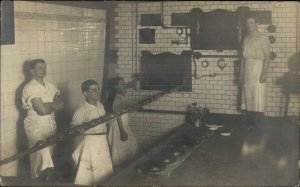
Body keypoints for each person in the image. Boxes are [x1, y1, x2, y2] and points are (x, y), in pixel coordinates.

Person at [22, 59, 64, 180]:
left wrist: (47, 104)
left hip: (51, 126)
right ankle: (37, 181)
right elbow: (42, 111)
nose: (43, 70)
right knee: (42, 157)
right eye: (39, 67)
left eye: (44, 67)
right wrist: (51, 105)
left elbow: (61, 105)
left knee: (46, 159)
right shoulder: (30, 87)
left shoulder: (51, 86)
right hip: (36, 128)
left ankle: (43, 182)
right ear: (31, 71)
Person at [71, 80, 113, 186]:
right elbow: (74, 130)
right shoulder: (82, 110)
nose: (98, 92)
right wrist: (77, 150)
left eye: (98, 89)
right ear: (85, 93)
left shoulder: (100, 105)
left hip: (102, 141)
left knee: (103, 171)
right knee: (88, 174)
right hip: (90, 143)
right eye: (94, 90)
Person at [240, 15, 270, 129]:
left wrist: (264, 73)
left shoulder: (263, 37)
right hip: (247, 69)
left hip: (258, 68)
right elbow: (244, 58)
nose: (249, 25)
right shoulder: (246, 39)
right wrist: (241, 75)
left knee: (258, 96)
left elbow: (267, 57)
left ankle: (259, 125)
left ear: (257, 24)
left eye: (251, 23)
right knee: (248, 96)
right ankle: (251, 124)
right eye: (247, 23)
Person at [107, 77, 138, 167]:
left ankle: (124, 166)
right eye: (121, 83)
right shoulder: (118, 98)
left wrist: (135, 80)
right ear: (116, 87)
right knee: (121, 150)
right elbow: (117, 114)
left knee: (130, 146)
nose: (124, 84)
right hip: (118, 126)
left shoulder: (121, 96)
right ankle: (117, 169)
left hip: (123, 125)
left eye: (124, 82)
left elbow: (127, 86)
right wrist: (122, 131)